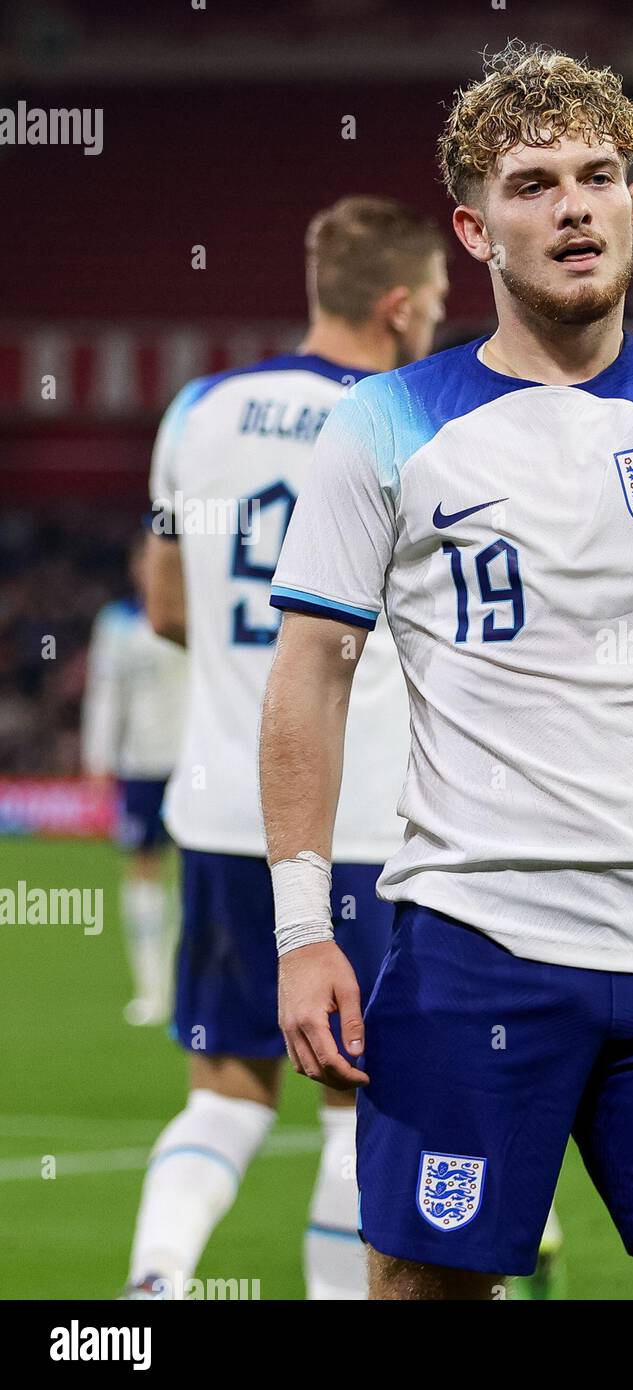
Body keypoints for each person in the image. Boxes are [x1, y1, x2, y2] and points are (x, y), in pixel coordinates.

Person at [259, 42, 633, 1301]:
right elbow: (310, 677)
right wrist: (299, 930)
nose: (573, 204)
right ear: (474, 227)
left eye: (598, 175)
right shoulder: (384, 424)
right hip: (470, 949)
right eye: (532, 184)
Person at [122, 196, 447, 1300]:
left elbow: (165, 605)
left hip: (221, 804)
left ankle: (159, 1279)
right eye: (438, 304)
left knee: (224, 1090)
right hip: (359, 819)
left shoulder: (199, 408)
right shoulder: (416, 417)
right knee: (365, 1104)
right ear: (399, 304)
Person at [82, 528, 188, 1025]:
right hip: (140, 765)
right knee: (143, 869)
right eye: (143, 559)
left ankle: (187, 982)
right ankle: (151, 988)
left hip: (192, 762)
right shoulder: (118, 623)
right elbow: (105, 695)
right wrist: (98, 759)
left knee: (195, 877)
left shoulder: (198, 614)